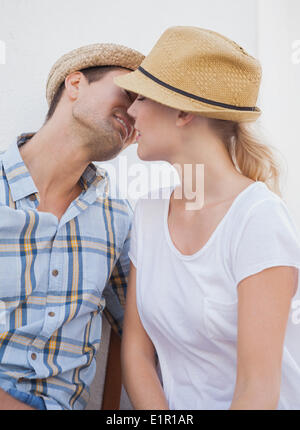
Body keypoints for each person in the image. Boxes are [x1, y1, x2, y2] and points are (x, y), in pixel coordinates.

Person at [114, 26, 300, 410]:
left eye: (143, 98)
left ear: (183, 112)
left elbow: (257, 388)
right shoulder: (148, 212)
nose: (131, 110)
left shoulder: (258, 220)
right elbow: (136, 353)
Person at [0, 42, 144, 409]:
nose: (137, 112)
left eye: (146, 105)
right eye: (130, 93)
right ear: (75, 84)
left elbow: (150, 336)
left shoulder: (120, 220)